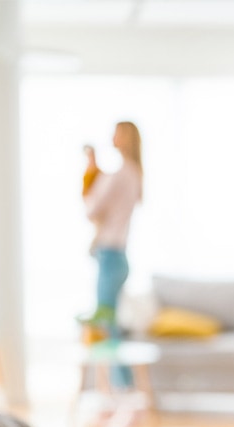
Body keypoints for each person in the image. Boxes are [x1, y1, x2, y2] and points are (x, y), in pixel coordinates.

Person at [82, 120, 143, 339]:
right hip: (117, 255)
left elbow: (92, 210)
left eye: (117, 134)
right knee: (110, 322)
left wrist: (90, 174)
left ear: (126, 138)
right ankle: (119, 375)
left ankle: (119, 375)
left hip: (110, 254)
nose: (112, 138)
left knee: (105, 323)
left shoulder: (120, 174)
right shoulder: (134, 173)